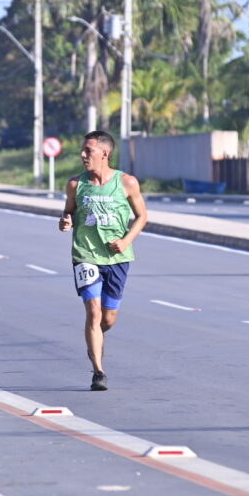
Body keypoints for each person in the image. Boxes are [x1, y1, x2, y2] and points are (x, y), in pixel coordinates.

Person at [58, 130, 148, 392]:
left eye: (89, 150)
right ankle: (99, 372)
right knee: (94, 313)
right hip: (85, 255)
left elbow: (142, 216)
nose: (83, 155)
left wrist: (126, 240)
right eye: (83, 150)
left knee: (107, 319)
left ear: (105, 154)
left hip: (117, 257)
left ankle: (94, 336)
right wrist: (65, 220)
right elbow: (68, 212)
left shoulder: (127, 182)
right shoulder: (76, 184)